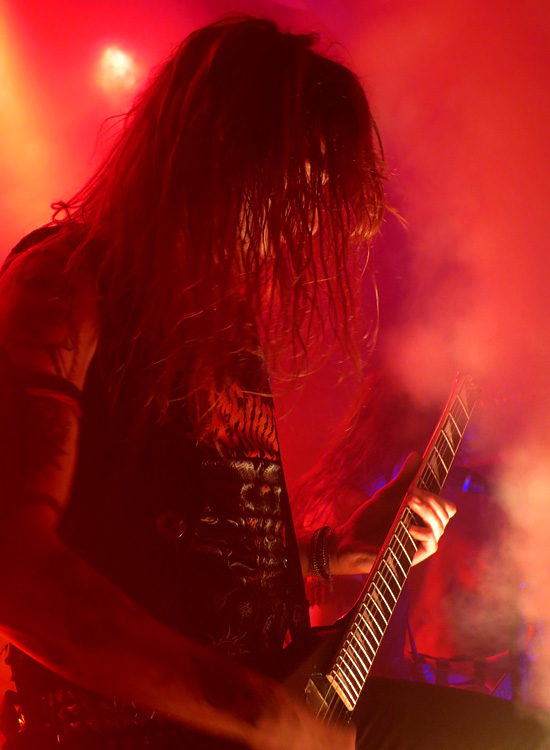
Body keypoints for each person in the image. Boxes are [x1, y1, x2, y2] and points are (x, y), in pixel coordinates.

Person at [0, 15, 546, 750]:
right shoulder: (62, 286)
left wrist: (329, 553)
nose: (305, 222)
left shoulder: (222, 327)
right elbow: (17, 572)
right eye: (296, 183)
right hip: (129, 730)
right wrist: (255, 710)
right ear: (222, 151)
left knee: (516, 735)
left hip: (254, 701)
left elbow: (197, 564)